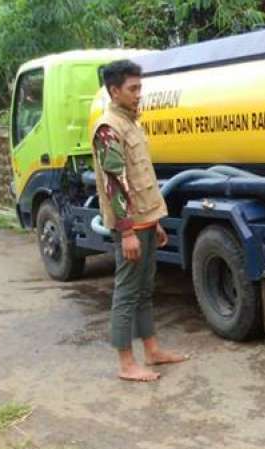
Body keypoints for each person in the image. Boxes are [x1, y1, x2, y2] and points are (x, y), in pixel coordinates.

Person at [92, 60, 187, 382]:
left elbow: (141, 177)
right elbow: (115, 184)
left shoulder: (132, 123)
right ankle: (126, 364)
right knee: (127, 293)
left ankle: (152, 351)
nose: (139, 94)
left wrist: (154, 221)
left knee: (145, 291)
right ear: (114, 90)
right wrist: (128, 231)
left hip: (145, 222)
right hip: (131, 227)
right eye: (133, 89)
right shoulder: (109, 129)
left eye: (139, 88)